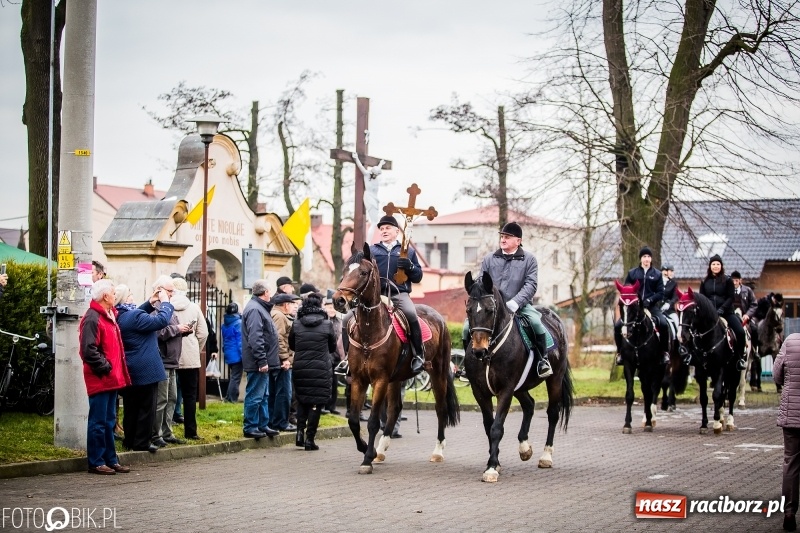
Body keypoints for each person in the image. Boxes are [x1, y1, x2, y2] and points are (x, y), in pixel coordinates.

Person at [474, 221, 552, 378]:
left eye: (507, 237)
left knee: (536, 323)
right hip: (491, 307)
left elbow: (531, 285)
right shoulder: (489, 259)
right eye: (502, 236)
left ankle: (543, 361)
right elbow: (481, 281)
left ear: (518, 240)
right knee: (466, 327)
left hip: (520, 305)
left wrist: (515, 302)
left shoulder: (529, 259)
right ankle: (470, 365)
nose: (503, 240)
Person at [79, 279, 132, 474]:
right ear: (104, 296)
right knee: (98, 421)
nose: (114, 294)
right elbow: (88, 349)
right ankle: (96, 461)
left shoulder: (110, 314)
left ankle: (110, 458)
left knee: (109, 421)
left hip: (111, 378)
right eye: (112, 291)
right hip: (101, 377)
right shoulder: (93, 317)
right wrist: (106, 367)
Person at [114, 284, 172, 454]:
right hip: (146, 368)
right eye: (130, 293)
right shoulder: (133, 316)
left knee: (131, 407)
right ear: (125, 298)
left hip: (131, 368)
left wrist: (149, 302)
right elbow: (161, 321)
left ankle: (130, 440)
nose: (132, 296)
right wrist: (165, 302)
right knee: (147, 407)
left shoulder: (120, 315)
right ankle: (141, 442)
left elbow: (136, 315)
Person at [370, 214, 425, 375]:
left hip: (398, 294)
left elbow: (418, 277)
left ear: (396, 231)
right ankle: (347, 359)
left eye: (387, 228)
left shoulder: (408, 251)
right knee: (348, 318)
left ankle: (418, 355)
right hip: (375, 295)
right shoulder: (372, 250)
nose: (384, 231)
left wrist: (410, 267)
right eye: (381, 229)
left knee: (411, 314)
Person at [289, 291, 336, 450]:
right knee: (316, 403)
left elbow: (292, 345)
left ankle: (299, 434)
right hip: (321, 368)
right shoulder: (327, 324)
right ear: (319, 306)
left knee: (302, 400)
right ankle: (310, 440)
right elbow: (332, 347)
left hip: (301, 367)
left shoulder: (297, 324)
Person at [614, 247, 670, 367]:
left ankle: (664, 352)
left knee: (664, 324)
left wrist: (649, 300)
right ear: (640, 259)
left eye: (648, 257)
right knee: (618, 325)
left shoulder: (657, 274)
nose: (646, 259)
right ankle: (620, 353)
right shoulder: (632, 273)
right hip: (634, 308)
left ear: (651, 259)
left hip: (651, 307)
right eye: (644, 257)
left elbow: (661, 293)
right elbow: (626, 290)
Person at [170, 276, 208, 440]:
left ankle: (166, 430)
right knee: (190, 395)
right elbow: (203, 333)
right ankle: (191, 431)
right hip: (190, 356)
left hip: (169, 355)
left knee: (168, 395)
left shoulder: (166, 307)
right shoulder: (194, 307)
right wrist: (195, 348)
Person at [153, 275, 189, 446]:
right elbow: (158, 332)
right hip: (163, 359)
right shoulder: (156, 308)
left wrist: (183, 330)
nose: (172, 293)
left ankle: (167, 432)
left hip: (172, 360)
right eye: (169, 291)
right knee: (161, 400)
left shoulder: (169, 308)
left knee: (172, 398)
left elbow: (170, 329)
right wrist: (176, 329)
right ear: (159, 291)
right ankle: (156, 433)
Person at [242, 279, 280, 439]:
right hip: (258, 363)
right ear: (265, 293)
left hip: (262, 361)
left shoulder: (258, 308)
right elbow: (255, 338)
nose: (271, 295)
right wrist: (262, 361)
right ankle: (250, 426)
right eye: (269, 292)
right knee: (255, 394)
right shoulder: (255, 310)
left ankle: (262, 425)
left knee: (263, 395)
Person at [698, 254, 746, 371]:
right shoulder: (705, 282)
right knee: (695, 331)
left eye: (718, 264)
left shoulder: (728, 280)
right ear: (710, 266)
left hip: (726, 313)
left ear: (721, 266)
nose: (715, 266)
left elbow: (731, 298)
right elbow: (702, 299)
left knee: (740, 332)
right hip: (709, 315)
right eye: (713, 264)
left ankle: (740, 358)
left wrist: (721, 309)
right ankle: (695, 357)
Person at [773, 333, 800, 532]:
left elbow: (776, 375)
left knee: (791, 462)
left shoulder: (790, 341)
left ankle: (789, 513)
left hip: (792, 417)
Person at [269, 292, 298, 432]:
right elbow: (279, 339)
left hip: (280, 360)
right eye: (292, 304)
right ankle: (281, 422)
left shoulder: (277, 314)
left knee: (279, 392)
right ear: (286, 305)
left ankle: (275, 421)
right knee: (284, 393)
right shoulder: (279, 316)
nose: (294, 306)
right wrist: (285, 358)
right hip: (283, 362)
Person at [322, 290, 344, 415]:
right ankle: (324, 406)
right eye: (329, 307)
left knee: (334, 383)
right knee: (326, 382)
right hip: (325, 357)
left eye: (333, 307)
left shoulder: (339, 321)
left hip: (336, 357)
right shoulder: (323, 321)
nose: (331, 309)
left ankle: (332, 406)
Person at [221, 302, 243, 403]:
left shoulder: (225, 323)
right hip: (237, 354)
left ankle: (228, 397)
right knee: (236, 377)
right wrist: (244, 356)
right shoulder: (238, 323)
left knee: (233, 376)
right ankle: (232, 399)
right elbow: (240, 342)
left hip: (229, 353)